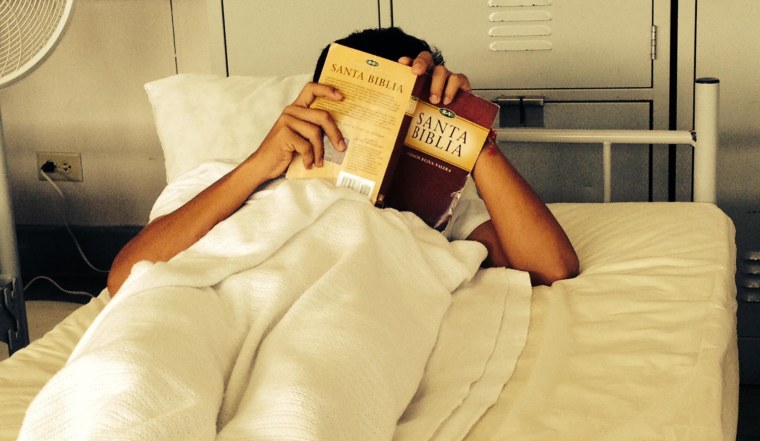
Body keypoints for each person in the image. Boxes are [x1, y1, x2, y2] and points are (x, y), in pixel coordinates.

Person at [107, 27, 579, 296]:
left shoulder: (440, 209)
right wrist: (260, 165)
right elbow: (125, 277)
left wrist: (470, 136)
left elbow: (552, 266)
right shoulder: (224, 176)